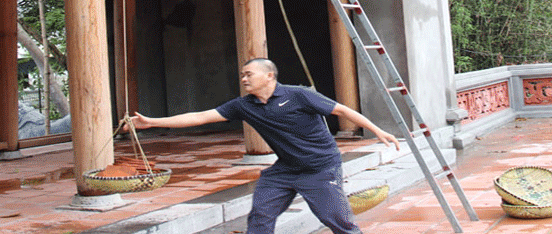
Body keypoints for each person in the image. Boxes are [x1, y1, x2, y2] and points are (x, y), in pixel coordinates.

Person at [129, 58, 400, 234]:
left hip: (320, 168)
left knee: (337, 221)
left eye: (249, 74)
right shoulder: (243, 105)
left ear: (269, 76)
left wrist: (377, 130)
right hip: (284, 170)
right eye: (242, 75)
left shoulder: (298, 95)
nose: (244, 79)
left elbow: (343, 110)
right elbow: (200, 117)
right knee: (260, 216)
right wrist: (151, 122)